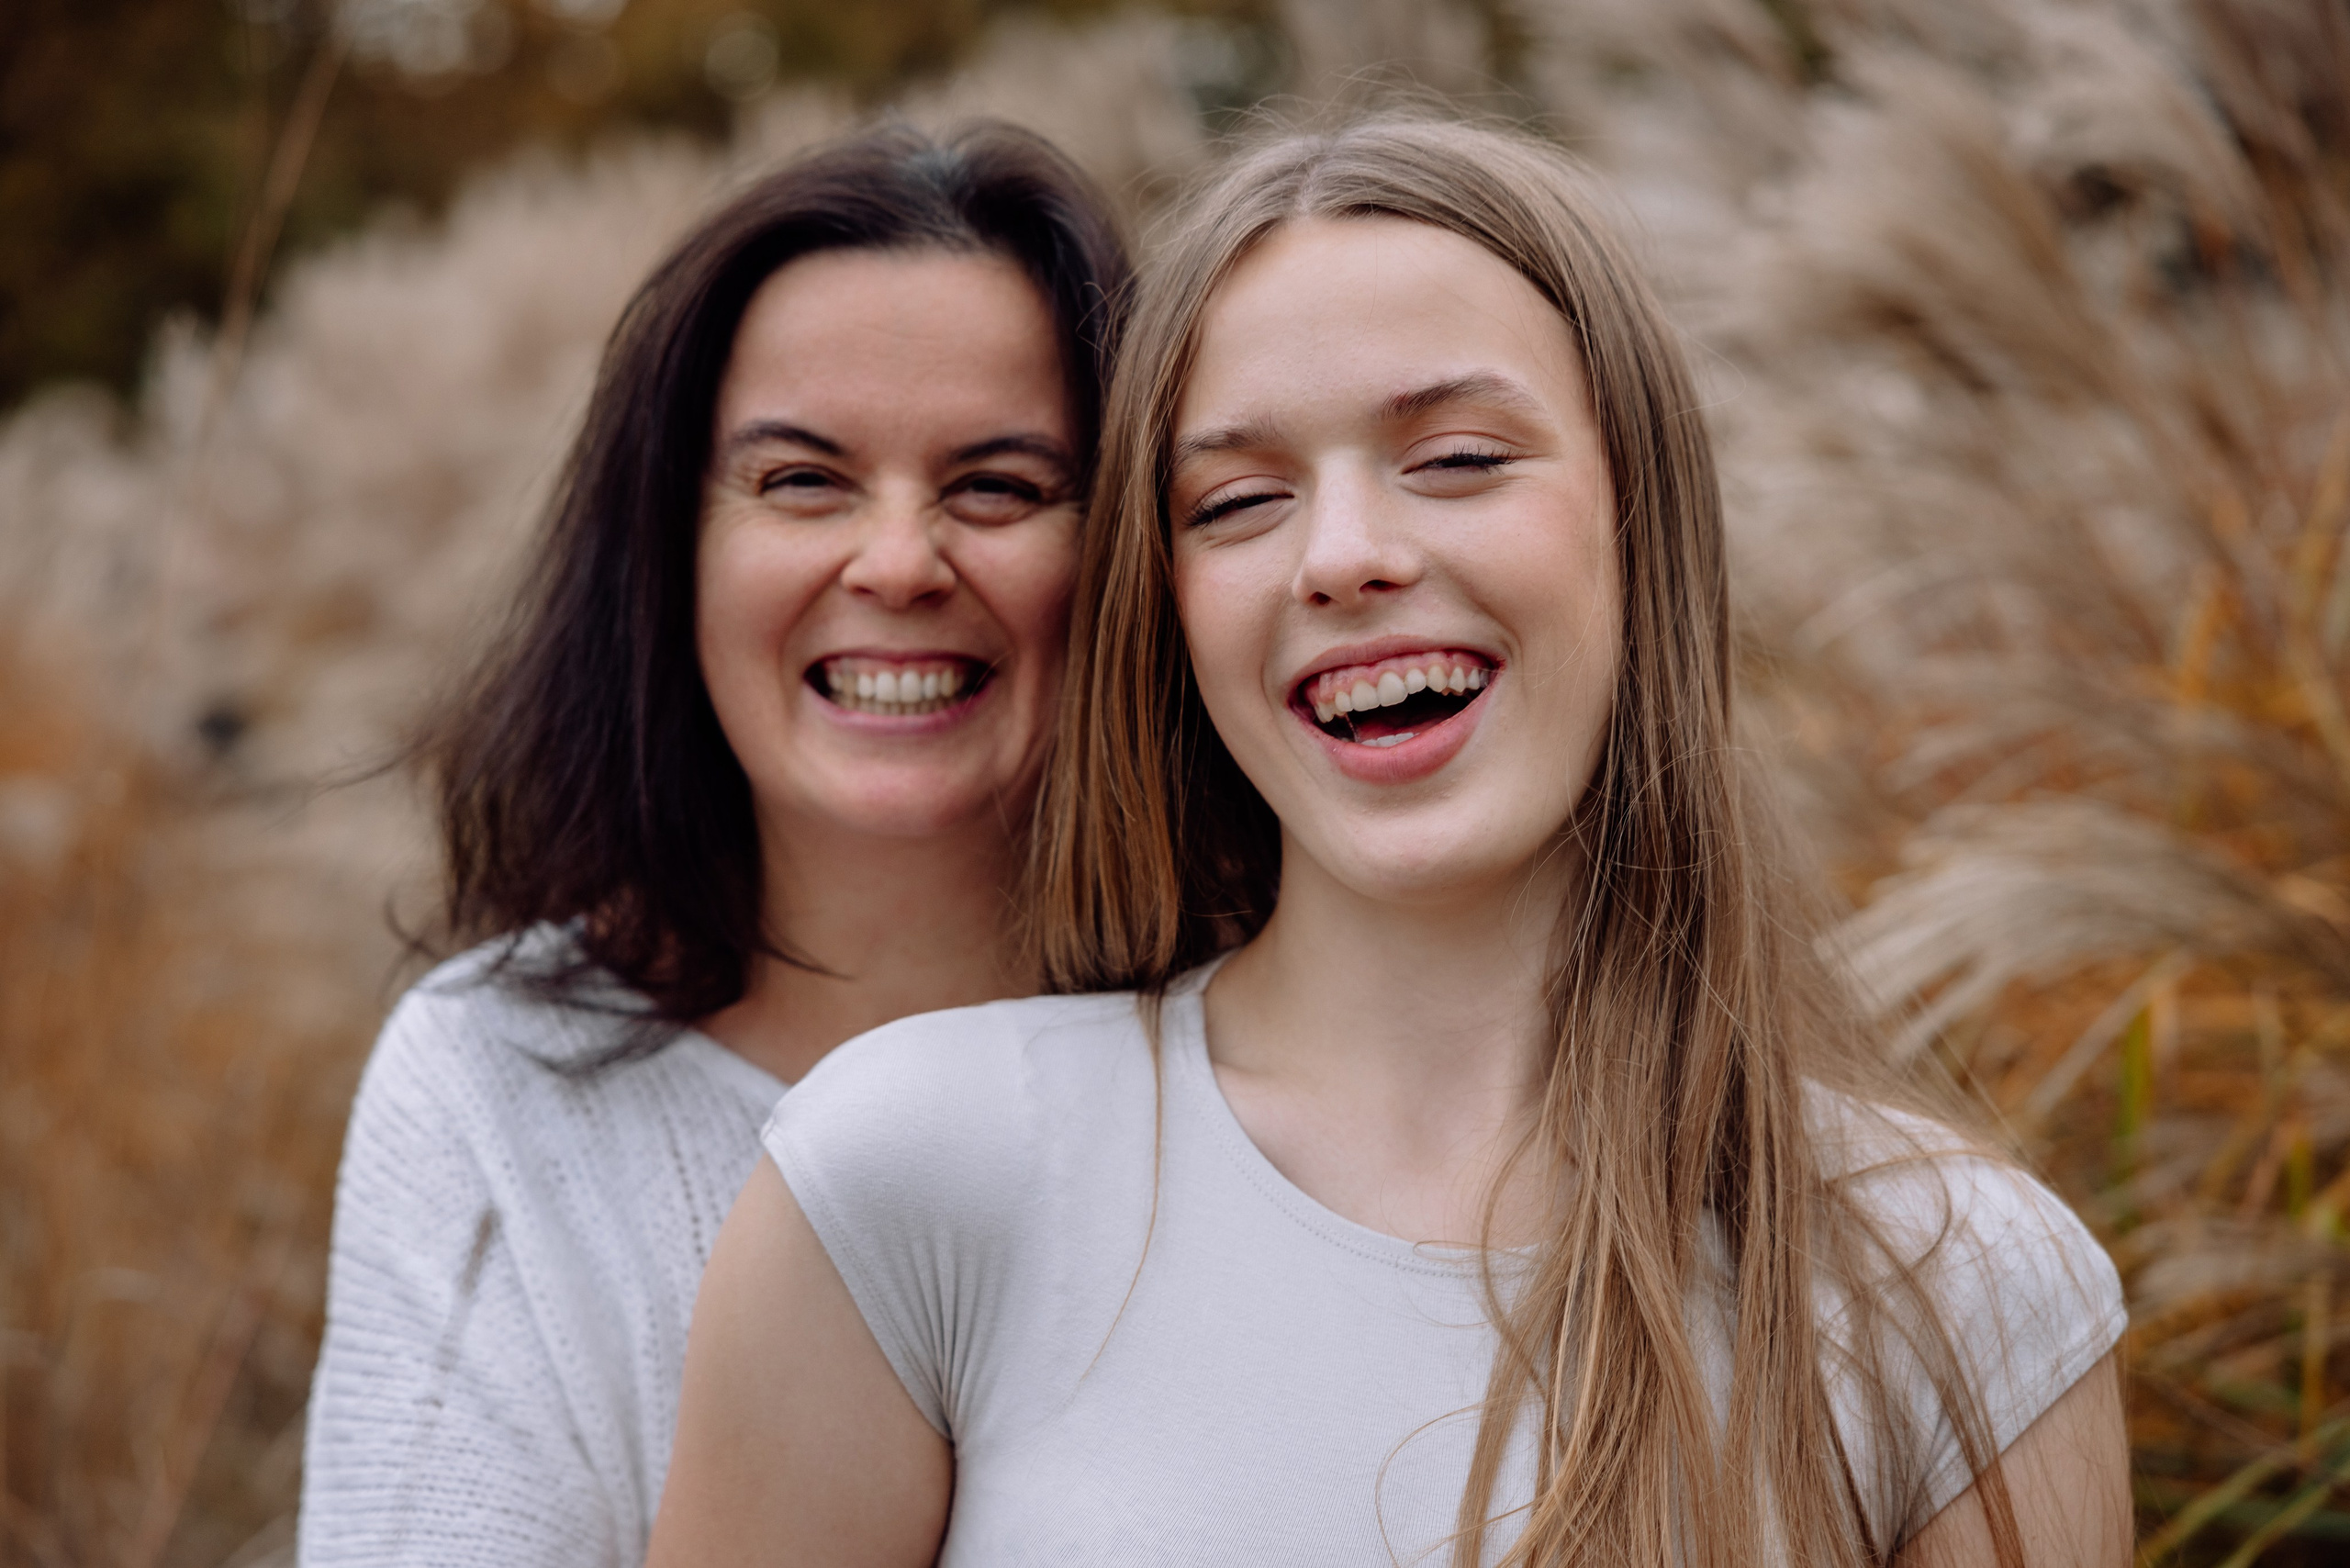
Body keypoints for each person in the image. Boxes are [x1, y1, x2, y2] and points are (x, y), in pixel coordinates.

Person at [649, 118, 2130, 1568]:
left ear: (1642, 519)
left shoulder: (1960, 1284)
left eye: (1462, 458)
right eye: (1237, 501)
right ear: (1166, 612)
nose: (1344, 552)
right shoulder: (915, 1173)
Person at [298, 122, 1130, 1568]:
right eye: (802, 480)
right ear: (670, 551)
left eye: (997, 486)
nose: (895, 562)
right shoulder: (496, 1090)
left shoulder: (1273, 1051)